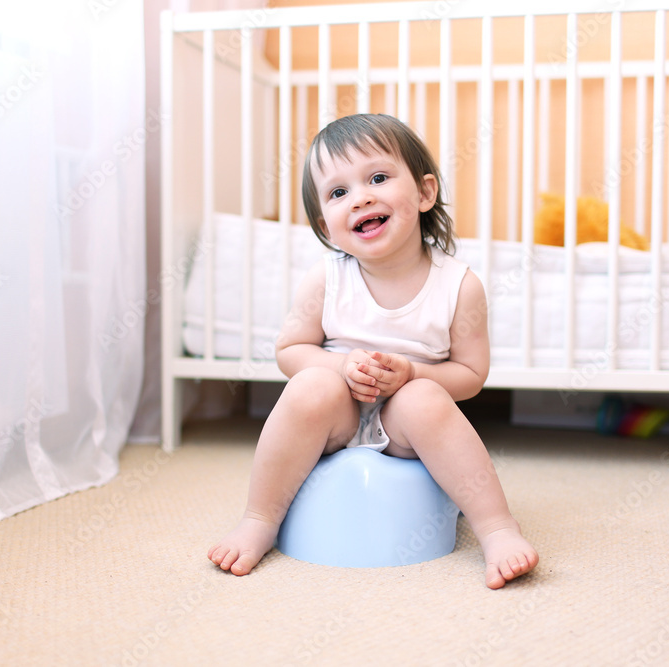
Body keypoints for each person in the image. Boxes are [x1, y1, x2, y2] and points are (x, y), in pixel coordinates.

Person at [207, 113, 538, 589]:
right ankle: (259, 518)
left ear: (424, 193)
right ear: (326, 224)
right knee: (310, 386)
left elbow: (469, 374)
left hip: (406, 429)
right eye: (338, 192)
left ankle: (498, 528)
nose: (360, 197)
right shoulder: (327, 277)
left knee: (424, 401)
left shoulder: (459, 286)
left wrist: (412, 375)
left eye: (378, 178)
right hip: (336, 418)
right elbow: (291, 350)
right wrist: (339, 366)